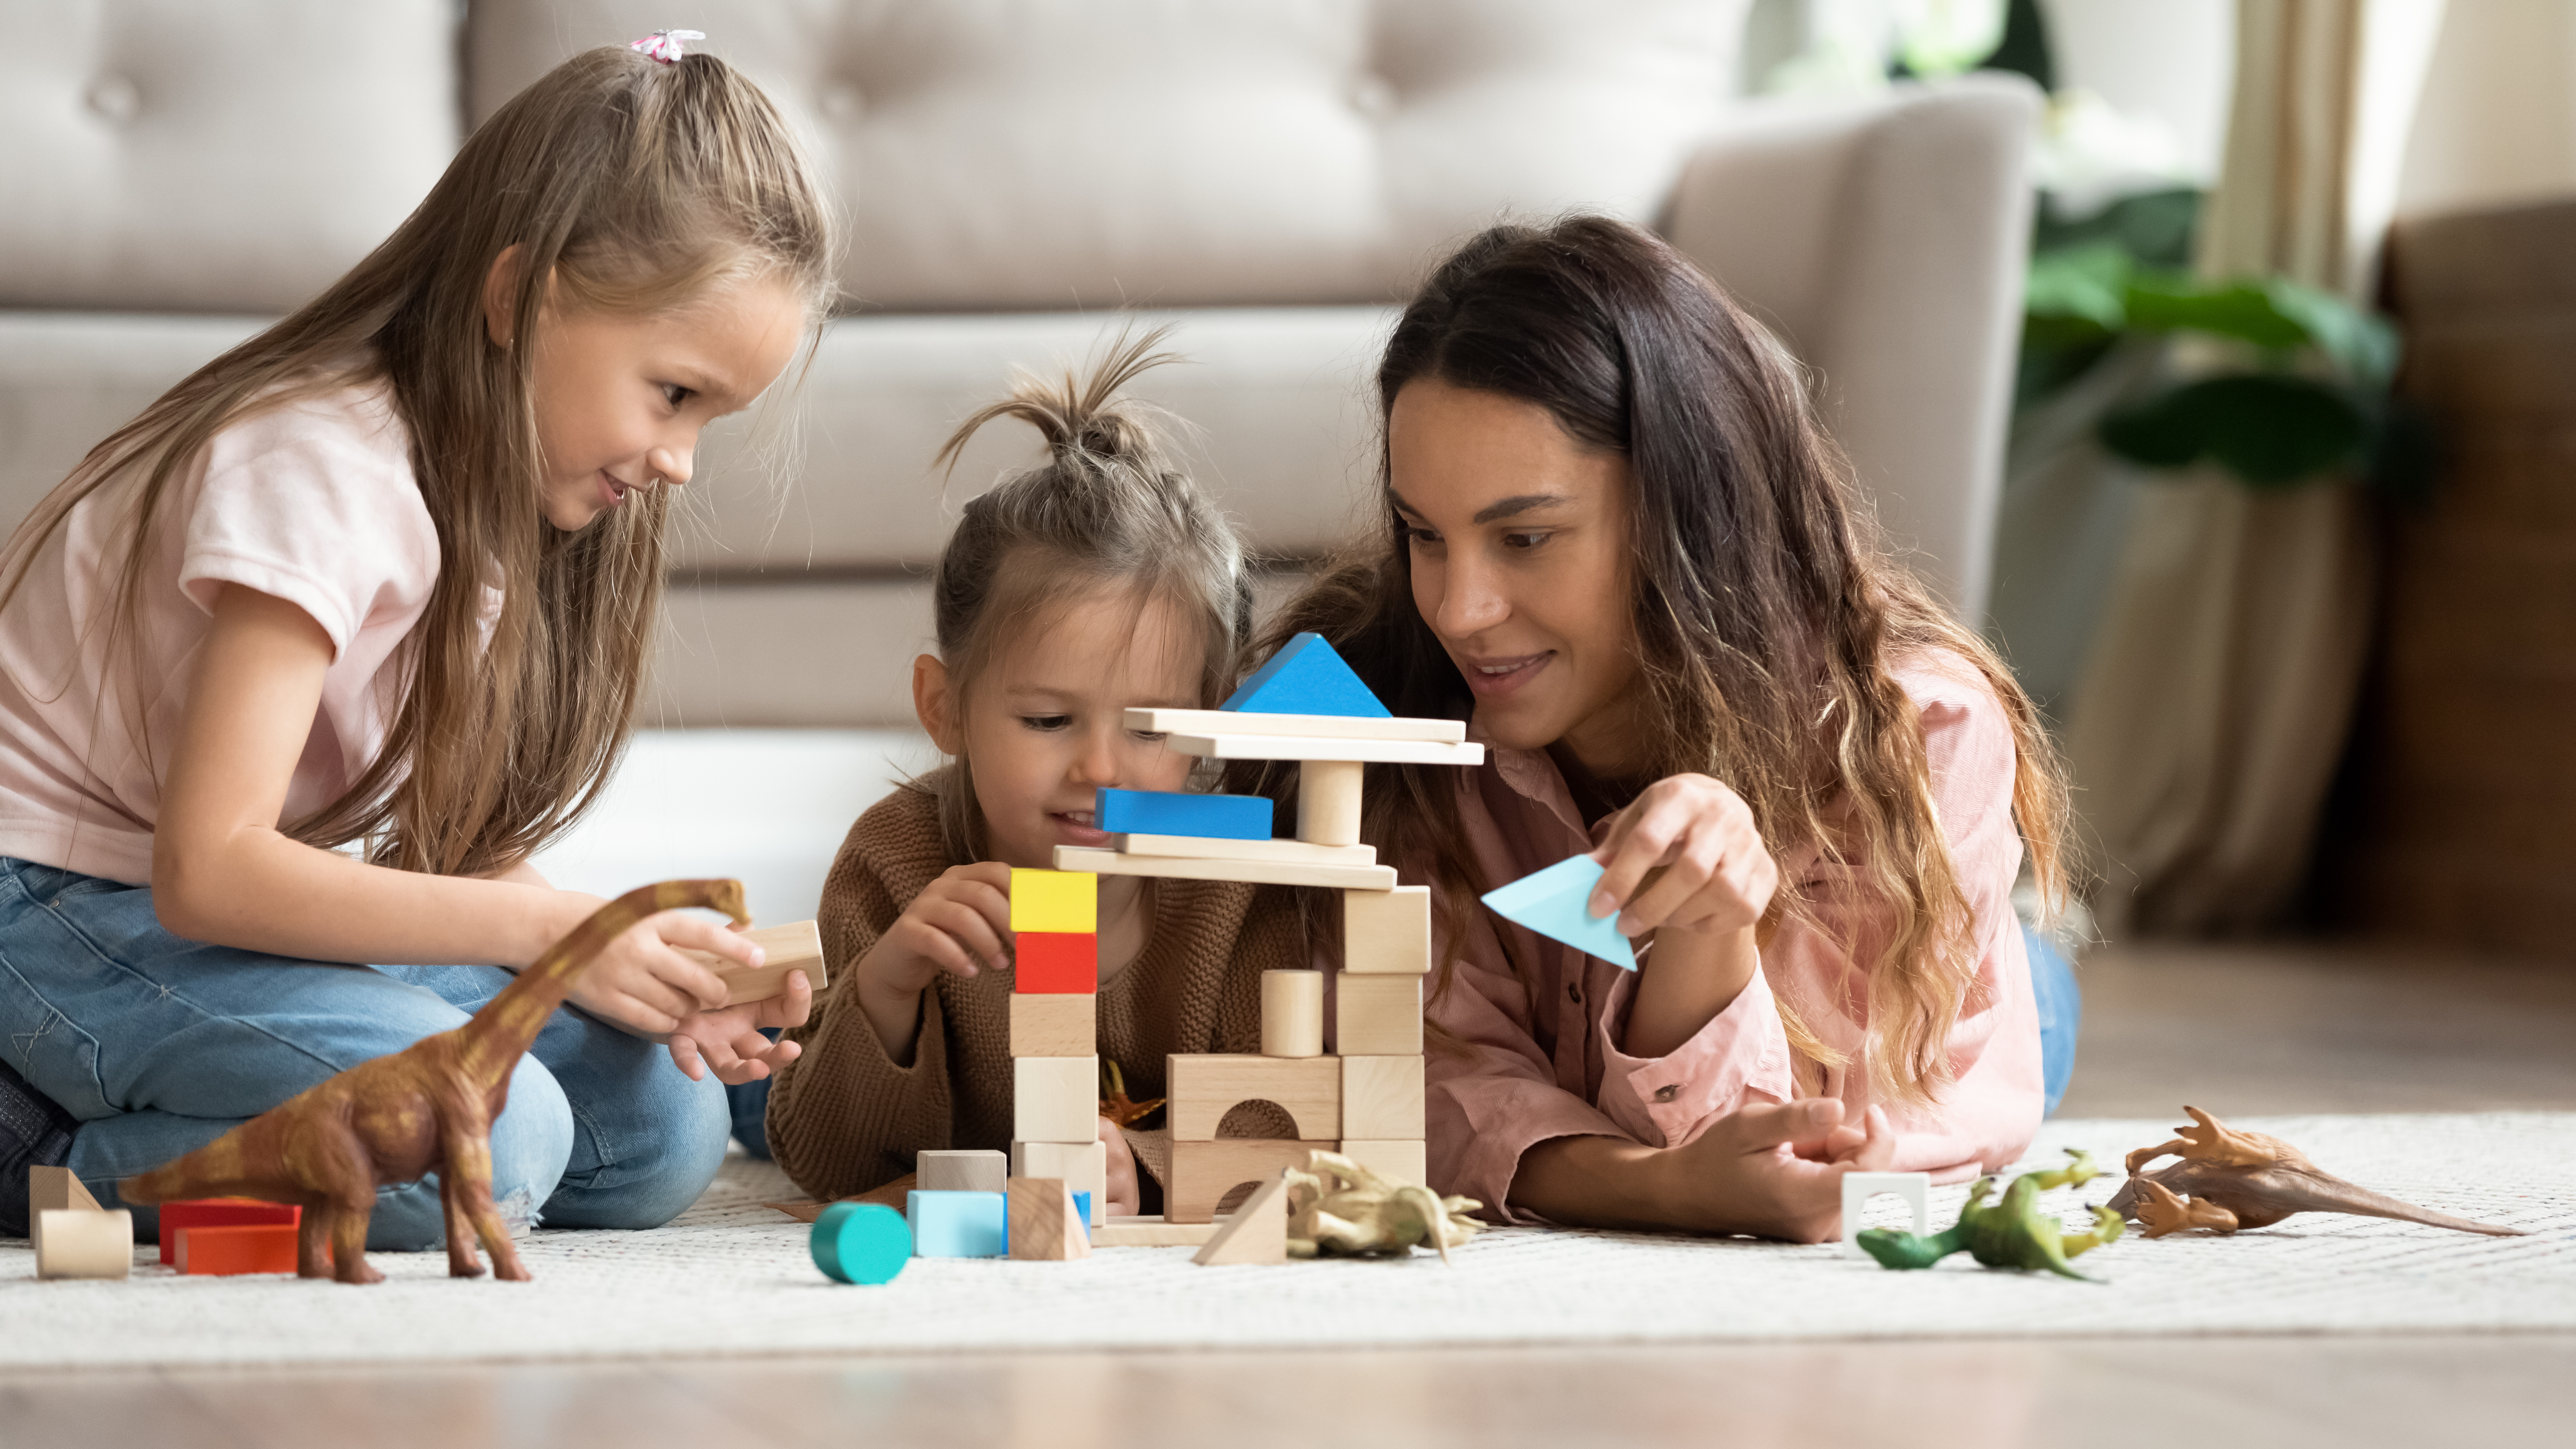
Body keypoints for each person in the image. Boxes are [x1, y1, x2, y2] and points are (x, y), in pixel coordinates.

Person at [0, 40, 832, 1244]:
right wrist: (548, 935)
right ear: (516, 299)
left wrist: (618, 953)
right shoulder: (319, 468)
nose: (680, 461)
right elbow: (211, 870)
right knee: (488, 1138)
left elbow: (430, 841)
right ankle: (44, 1153)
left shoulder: (490, 492)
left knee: (656, 1126)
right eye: (674, 394)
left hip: (190, 915)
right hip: (54, 899)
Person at [1260, 216, 2075, 1242]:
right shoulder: (1394, 716)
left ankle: (2031, 945)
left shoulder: (1911, 730)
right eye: (1425, 534)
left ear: (1686, 516)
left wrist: (1711, 933)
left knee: (2027, 1006)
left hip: (1938, 984)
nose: (1458, 608)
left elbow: (1801, 1151)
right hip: (1642, 1038)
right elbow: (1419, 1092)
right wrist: (1661, 1188)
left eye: (1524, 537)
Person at [764, 334, 1305, 1213]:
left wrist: (1150, 1161)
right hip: (865, 1098)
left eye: (1146, 726)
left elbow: (1289, 1130)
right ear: (945, 709)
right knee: (754, 1091)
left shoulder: (1236, 879)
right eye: (1048, 720)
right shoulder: (893, 860)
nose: (1097, 767)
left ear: (1212, 719)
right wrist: (888, 983)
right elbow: (826, 1164)